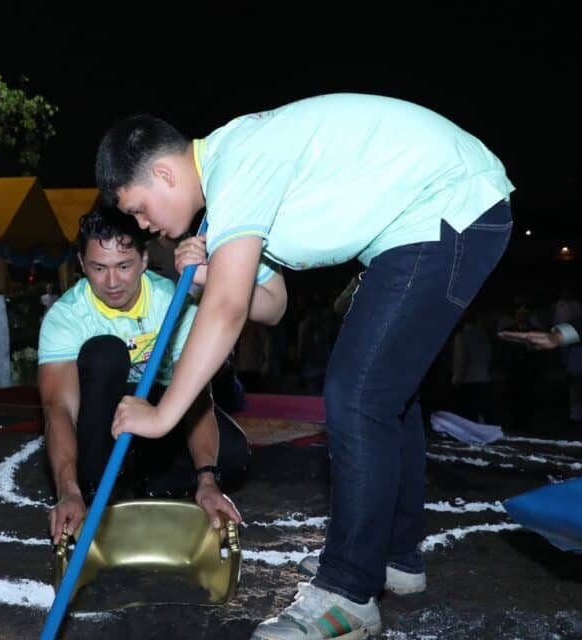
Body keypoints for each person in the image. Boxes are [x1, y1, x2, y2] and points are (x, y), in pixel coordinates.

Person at [95, 93, 513, 639]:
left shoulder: (237, 161)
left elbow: (229, 310)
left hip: (451, 204)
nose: (145, 225)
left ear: (163, 172)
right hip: (435, 217)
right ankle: (395, 556)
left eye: (139, 208)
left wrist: (161, 413)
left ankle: (347, 594)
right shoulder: (231, 196)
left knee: (358, 395)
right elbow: (272, 304)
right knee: (386, 393)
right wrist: (209, 275)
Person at [41, 208, 248, 547]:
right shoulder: (66, 316)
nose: (111, 282)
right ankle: (97, 489)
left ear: (143, 259)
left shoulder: (173, 304)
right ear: (81, 262)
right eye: (98, 267)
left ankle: (142, 480)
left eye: (123, 266)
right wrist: (69, 490)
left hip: (158, 415)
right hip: (99, 424)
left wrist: (207, 480)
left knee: (234, 455)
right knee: (106, 352)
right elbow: (58, 408)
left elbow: (197, 399)